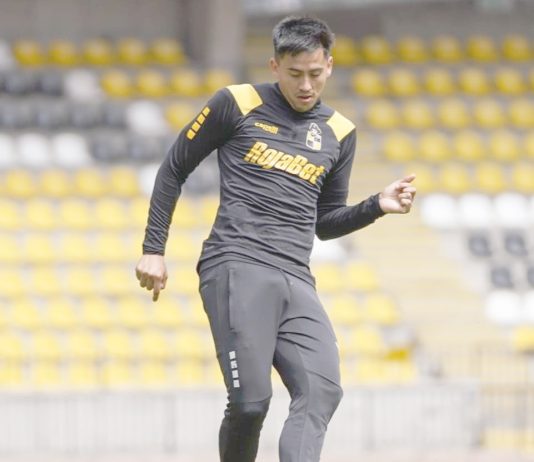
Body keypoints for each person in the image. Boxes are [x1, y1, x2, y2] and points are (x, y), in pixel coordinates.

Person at [136, 15, 416, 462]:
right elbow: (173, 168)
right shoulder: (235, 103)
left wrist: (376, 205)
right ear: (274, 66)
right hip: (236, 265)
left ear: (329, 65)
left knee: (322, 390)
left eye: (315, 73)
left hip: (295, 278)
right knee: (251, 404)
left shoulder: (340, 132)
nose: (306, 85)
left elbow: (325, 223)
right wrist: (154, 249)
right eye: (294, 74)